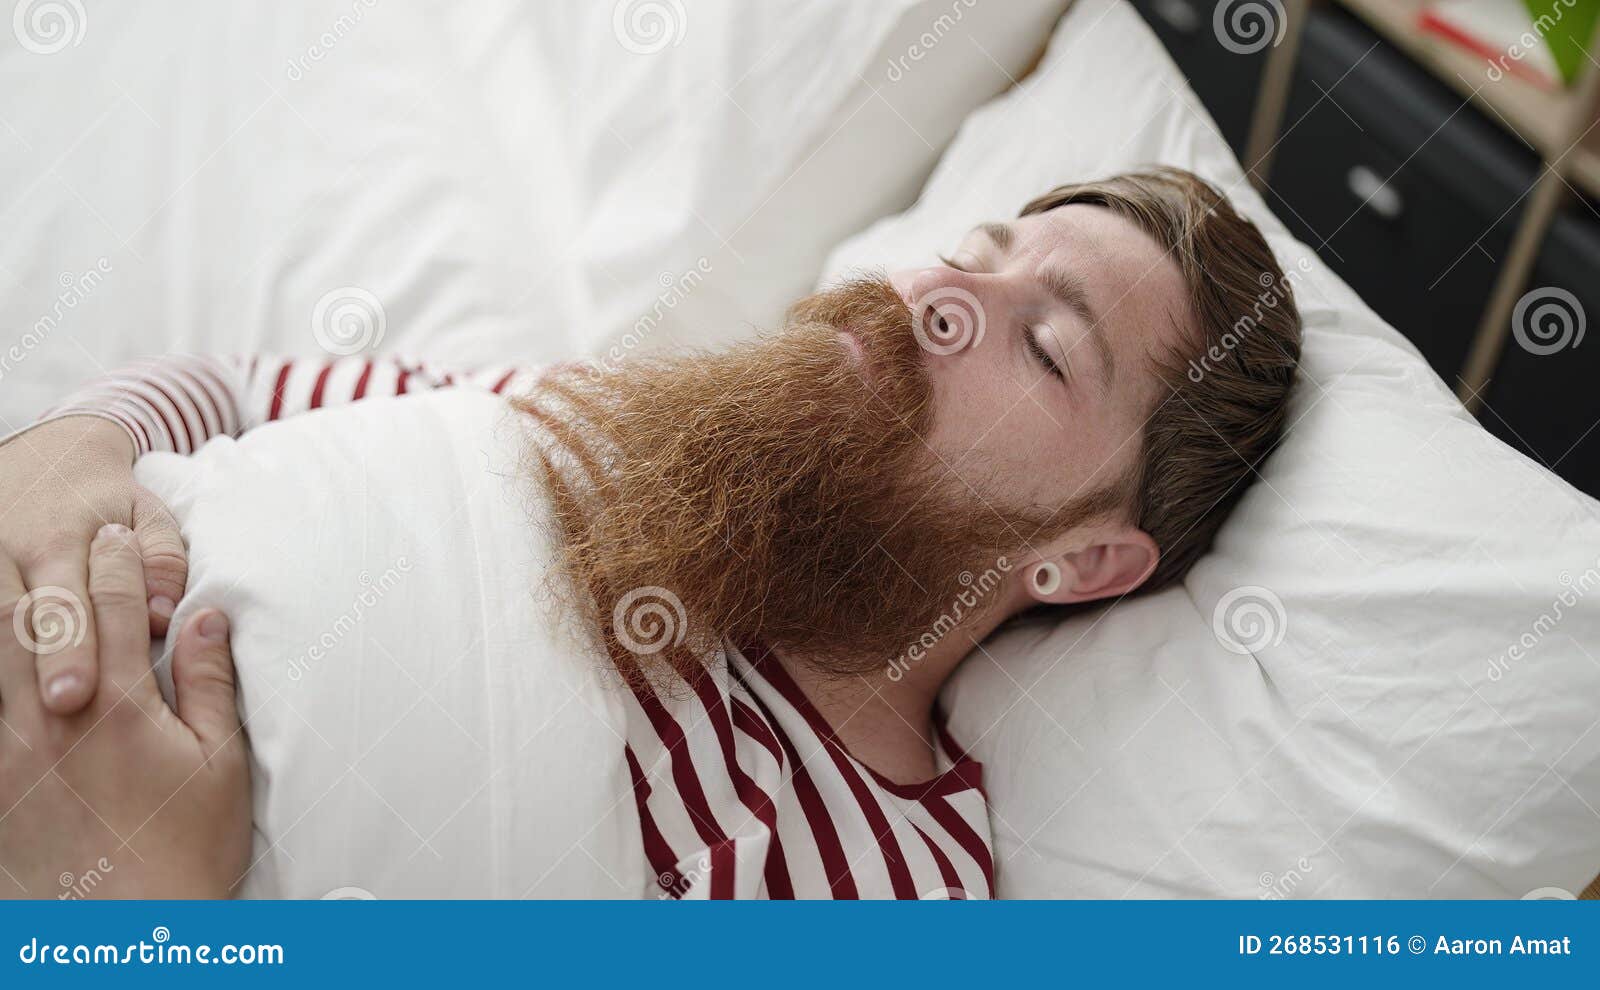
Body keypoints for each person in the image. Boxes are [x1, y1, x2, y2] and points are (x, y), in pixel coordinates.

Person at [0, 168, 1301, 898]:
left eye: (1045, 339)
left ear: (1083, 558)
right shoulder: (606, 418)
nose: (940, 294)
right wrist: (67, 451)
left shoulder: (890, 884)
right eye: (978, 246)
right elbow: (233, 392)